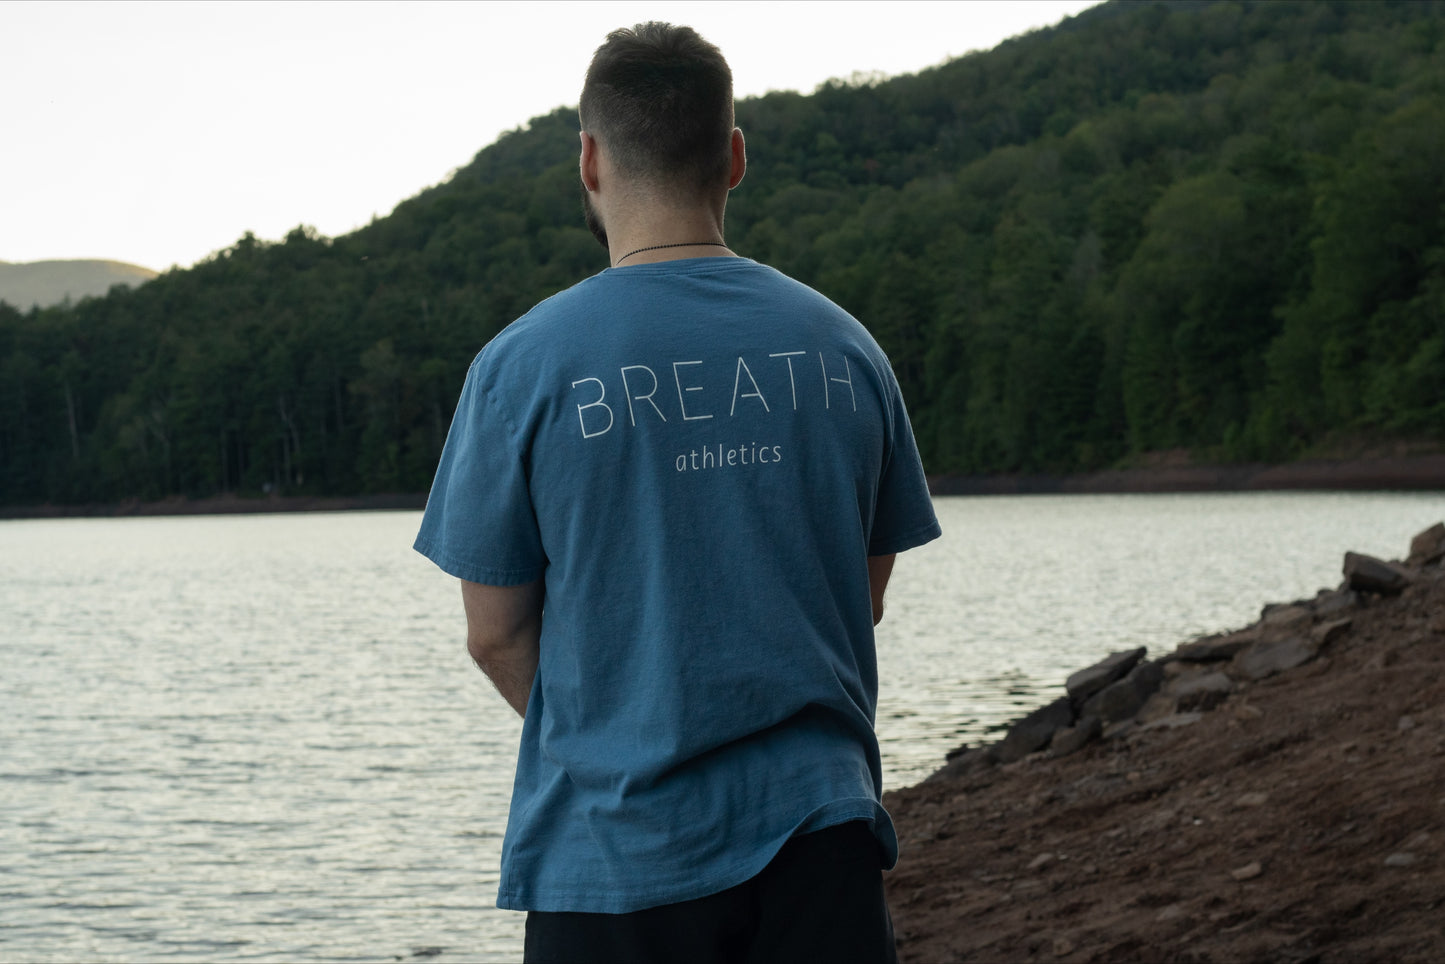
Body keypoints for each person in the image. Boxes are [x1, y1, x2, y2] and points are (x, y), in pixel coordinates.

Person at [414, 22, 941, 963]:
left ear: (589, 160)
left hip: (615, 861)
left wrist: (620, 731)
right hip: (820, 846)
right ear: (733, 156)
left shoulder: (519, 369)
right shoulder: (844, 349)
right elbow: (858, 597)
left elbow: (494, 635)